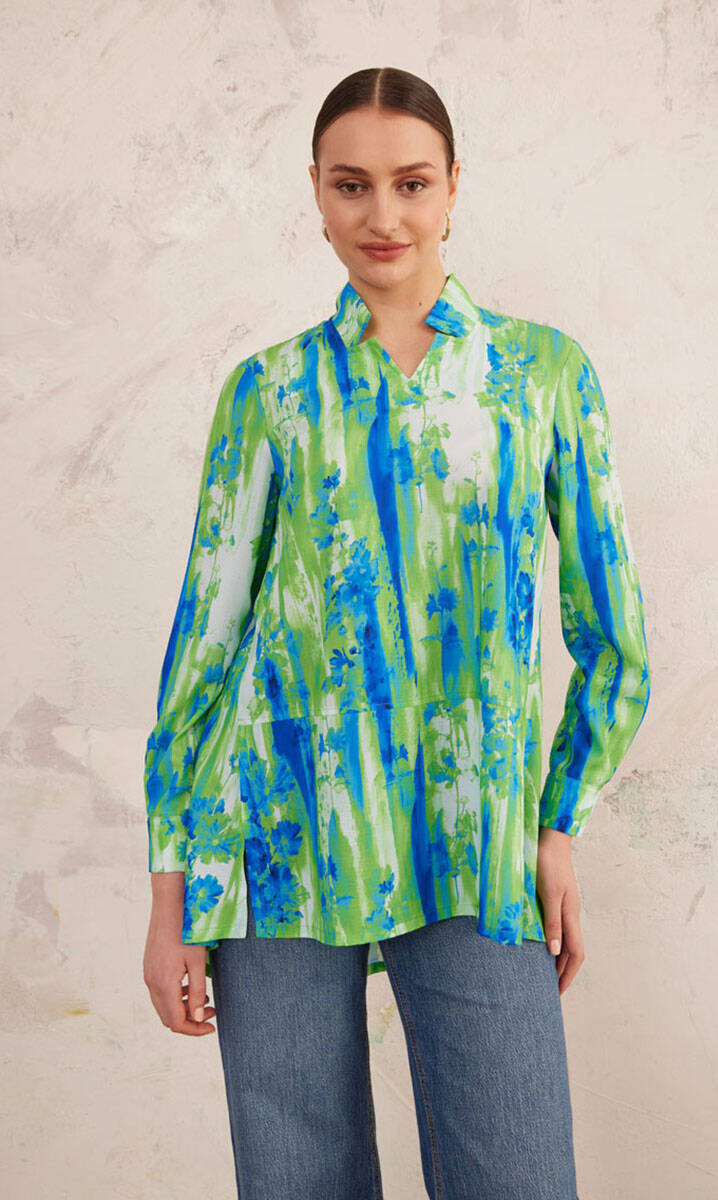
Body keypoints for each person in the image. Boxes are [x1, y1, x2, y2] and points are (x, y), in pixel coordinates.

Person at [142, 65, 650, 1200]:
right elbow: (203, 651)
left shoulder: (540, 376)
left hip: (475, 842)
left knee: (516, 1176)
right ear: (316, 194)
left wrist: (555, 822)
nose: (383, 215)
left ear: (454, 187)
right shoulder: (268, 391)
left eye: (411, 183)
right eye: (352, 185)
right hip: (277, 848)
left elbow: (614, 638)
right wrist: (172, 897)